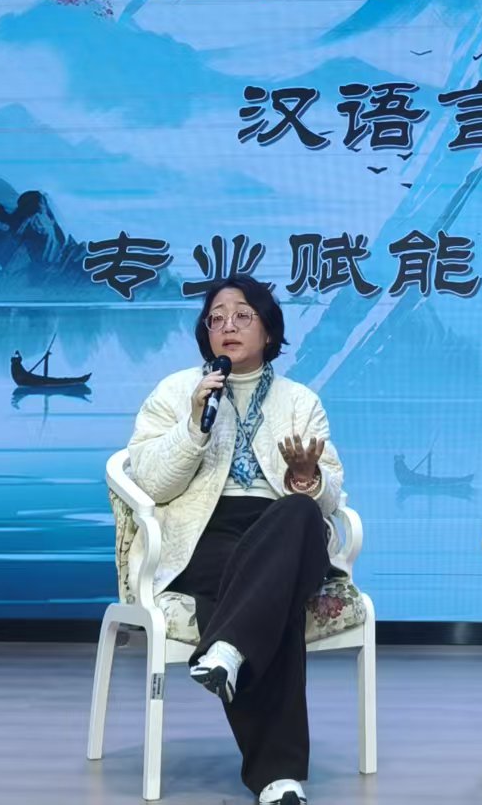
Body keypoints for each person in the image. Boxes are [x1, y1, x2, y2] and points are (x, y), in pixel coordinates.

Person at [125, 274, 345, 805]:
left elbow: (331, 493)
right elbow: (149, 481)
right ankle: (278, 778)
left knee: (297, 513)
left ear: (269, 330)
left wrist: (307, 480)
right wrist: (193, 427)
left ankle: (228, 647)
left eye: (243, 315)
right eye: (216, 318)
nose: (228, 325)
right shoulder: (175, 392)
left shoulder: (301, 401)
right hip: (203, 534)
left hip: (284, 531)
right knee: (274, 601)